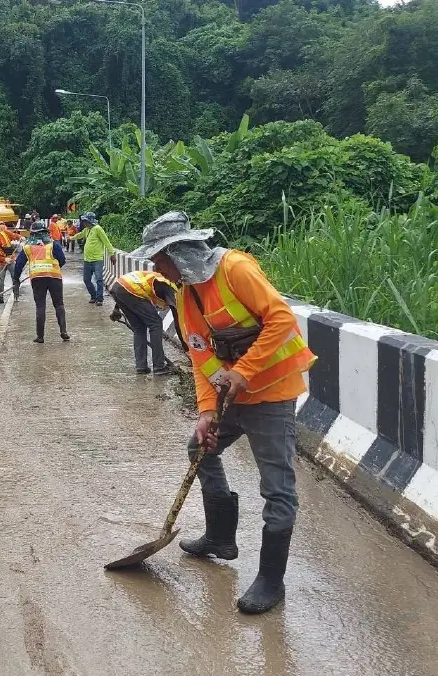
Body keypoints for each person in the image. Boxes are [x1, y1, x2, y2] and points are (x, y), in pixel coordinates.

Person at [129, 211, 317, 615]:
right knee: (199, 448)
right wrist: (206, 412)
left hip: (272, 395)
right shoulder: (185, 294)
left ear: (178, 254)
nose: (155, 269)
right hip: (232, 399)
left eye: (158, 260)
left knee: (276, 488)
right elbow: (201, 357)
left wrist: (245, 372)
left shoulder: (236, 268)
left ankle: (271, 580)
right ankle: (219, 537)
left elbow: (281, 318)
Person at [108, 270, 181, 376]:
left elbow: (126, 286)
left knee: (139, 328)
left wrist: (116, 308)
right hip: (130, 290)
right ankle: (159, 366)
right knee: (155, 324)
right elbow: (177, 316)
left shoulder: (160, 276)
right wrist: (186, 346)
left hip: (117, 287)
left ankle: (141, 366)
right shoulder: (170, 286)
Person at [12, 220, 69, 343]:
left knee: (40, 306)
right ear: (45, 232)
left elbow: (19, 265)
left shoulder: (27, 247)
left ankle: (40, 337)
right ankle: (63, 331)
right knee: (59, 304)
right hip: (55, 278)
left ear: (32, 233)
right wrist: (54, 267)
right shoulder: (53, 245)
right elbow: (62, 260)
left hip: (37, 279)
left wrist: (16, 279)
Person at [72, 212, 115, 305]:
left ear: (89, 221)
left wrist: (112, 254)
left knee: (99, 279)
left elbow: (107, 242)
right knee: (86, 280)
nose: (84, 223)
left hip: (97, 259)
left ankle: (99, 299)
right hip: (87, 259)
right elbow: (79, 235)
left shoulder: (98, 229)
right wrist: (71, 238)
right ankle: (93, 296)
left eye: (85, 221)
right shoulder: (87, 230)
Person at [0, 222, 22, 304]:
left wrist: (21, 237)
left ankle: (16, 296)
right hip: (1, 262)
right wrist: (4, 259)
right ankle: (0, 298)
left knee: (15, 278)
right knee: (0, 280)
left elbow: (15, 236)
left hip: (11, 260)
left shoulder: (5, 233)